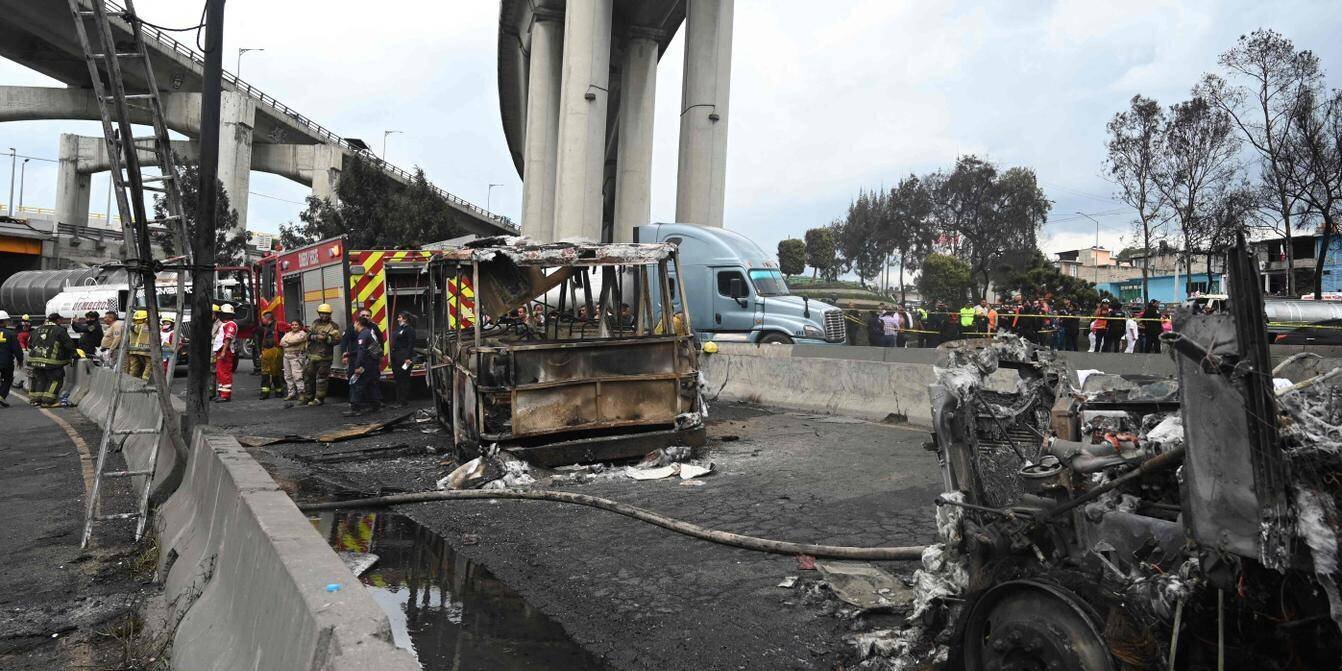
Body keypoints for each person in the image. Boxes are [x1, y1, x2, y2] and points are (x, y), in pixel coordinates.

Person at [26, 313, 74, 407]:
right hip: (52, 362)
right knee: (55, 380)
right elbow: (69, 345)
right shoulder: (59, 330)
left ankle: (35, 400)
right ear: (58, 320)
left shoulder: (37, 329)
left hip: (35, 361)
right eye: (61, 320)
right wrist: (74, 354)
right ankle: (47, 401)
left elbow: (29, 345)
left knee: (39, 379)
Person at [301, 303, 341, 406]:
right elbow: (308, 335)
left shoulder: (333, 326)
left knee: (321, 379)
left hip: (324, 358)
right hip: (311, 356)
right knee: (308, 377)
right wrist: (316, 337)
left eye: (326, 314)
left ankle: (319, 399)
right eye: (322, 314)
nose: (324, 316)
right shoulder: (315, 323)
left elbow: (337, 340)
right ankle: (308, 396)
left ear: (330, 314)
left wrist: (327, 339)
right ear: (319, 314)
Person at [343, 315, 382, 417]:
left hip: (366, 364)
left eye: (354, 324)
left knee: (356, 384)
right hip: (372, 364)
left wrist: (357, 366)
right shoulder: (368, 332)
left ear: (358, 323)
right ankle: (376, 406)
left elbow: (361, 352)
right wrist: (350, 354)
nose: (354, 326)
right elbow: (370, 349)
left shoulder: (362, 335)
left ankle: (355, 409)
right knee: (371, 385)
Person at [254, 310, 285, 399]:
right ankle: (268, 392)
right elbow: (258, 340)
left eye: (263, 318)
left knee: (275, 372)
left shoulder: (277, 325)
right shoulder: (264, 328)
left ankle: (277, 391)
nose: (262, 320)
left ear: (268, 319)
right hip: (267, 352)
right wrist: (260, 353)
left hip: (275, 351)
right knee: (266, 373)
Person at [389, 311, 416, 408]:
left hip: (405, 359)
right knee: (398, 379)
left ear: (405, 319)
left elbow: (410, 344)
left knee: (403, 379)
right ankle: (399, 400)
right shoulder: (399, 328)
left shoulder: (409, 330)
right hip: (396, 357)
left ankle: (403, 401)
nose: (398, 319)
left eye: (399, 317)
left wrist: (408, 358)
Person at [213, 303, 238, 402]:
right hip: (221, 351)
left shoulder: (231, 324)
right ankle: (221, 392)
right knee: (220, 373)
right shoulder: (225, 324)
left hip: (225, 352)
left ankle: (225, 395)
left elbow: (228, 338)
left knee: (225, 373)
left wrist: (223, 352)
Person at [280, 319, 308, 402]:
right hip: (286, 357)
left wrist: (289, 342)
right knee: (288, 376)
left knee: (297, 376)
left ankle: (302, 393)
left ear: (300, 326)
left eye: (296, 325)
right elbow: (282, 342)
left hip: (296, 357)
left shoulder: (302, 334)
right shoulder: (288, 334)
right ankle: (291, 393)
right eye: (292, 325)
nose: (294, 326)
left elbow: (296, 340)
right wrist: (290, 343)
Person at [0, 311, 23, 408]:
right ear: (3, 322)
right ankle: (1, 396)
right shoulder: (11, 334)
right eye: (6, 321)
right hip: (6, 362)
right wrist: (20, 360)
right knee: (7, 379)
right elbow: (17, 349)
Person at [124, 310, 154, 380]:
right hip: (146, 350)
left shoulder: (133, 326)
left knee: (134, 366)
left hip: (133, 349)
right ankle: (144, 381)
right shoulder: (145, 325)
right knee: (148, 365)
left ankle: (131, 380)